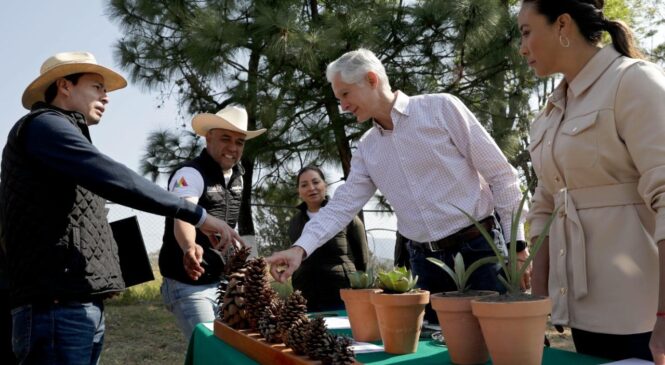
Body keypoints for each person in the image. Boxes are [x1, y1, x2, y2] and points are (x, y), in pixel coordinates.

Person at [0, 51, 242, 365]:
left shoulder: (65, 137)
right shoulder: (43, 127)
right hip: (55, 306)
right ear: (64, 86)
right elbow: (116, 178)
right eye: (97, 86)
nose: (106, 96)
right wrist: (198, 216)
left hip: (77, 300)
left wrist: (107, 276)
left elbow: (81, 221)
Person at [267, 48, 529, 323]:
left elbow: (501, 175)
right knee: (435, 351)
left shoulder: (441, 108)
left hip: (480, 254)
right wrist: (299, 249)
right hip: (424, 267)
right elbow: (340, 207)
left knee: (494, 340)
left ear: (371, 79)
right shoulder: (367, 149)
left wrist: (518, 246)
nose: (342, 105)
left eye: (345, 94)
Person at [519, 1, 665, 362]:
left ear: (563, 25)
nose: (522, 47)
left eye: (526, 32)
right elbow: (545, 207)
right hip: (583, 314)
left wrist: (664, 318)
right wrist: (536, 311)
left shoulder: (634, 81)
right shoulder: (550, 113)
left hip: (641, 319)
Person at [159, 105, 265, 339]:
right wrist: (189, 247)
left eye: (240, 142)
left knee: (230, 349)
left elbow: (230, 227)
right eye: (225, 138)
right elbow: (183, 215)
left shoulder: (238, 177)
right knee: (211, 349)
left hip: (223, 283)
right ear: (208, 137)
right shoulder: (190, 174)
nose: (233, 148)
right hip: (187, 282)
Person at [288, 166, 369, 312]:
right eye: (304, 185)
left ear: (325, 185)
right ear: (299, 191)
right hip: (307, 296)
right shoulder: (294, 223)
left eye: (316, 182)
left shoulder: (346, 216)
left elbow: (362, 258)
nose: (311, 188)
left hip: (341, 296)